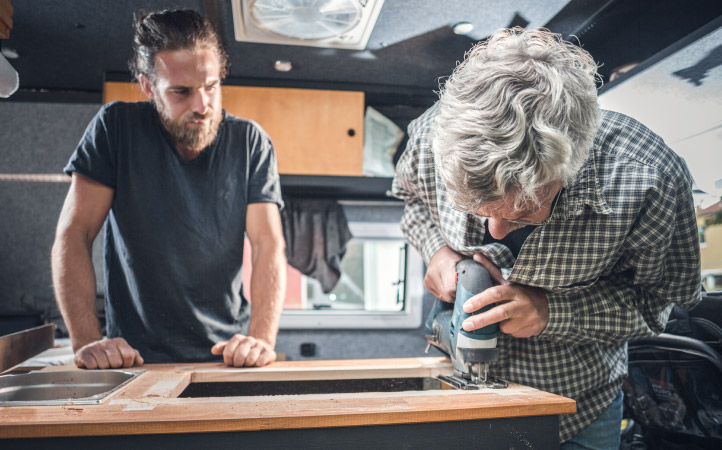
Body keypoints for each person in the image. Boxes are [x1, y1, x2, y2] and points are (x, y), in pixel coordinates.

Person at [392, 28, 701, 449]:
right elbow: (410, 205)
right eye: (480, 213)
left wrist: (554, 311)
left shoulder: (649, 179)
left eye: (520, 214)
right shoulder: (432, 138)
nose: (495, 232)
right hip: (456, 389)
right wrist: (437, 251)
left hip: (577, 406)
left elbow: (657, 306)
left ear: (570, 164)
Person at [51, 9, 286, 370]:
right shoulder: (115, 129)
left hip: (226, 357)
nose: (202, 106)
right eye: (181, 92)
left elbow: (268, 244)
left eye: (211, 87)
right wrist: (86, 342)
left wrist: (261, 341)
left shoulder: (250, 142)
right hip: (132, 359)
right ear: (149, 87)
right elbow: (74, 234)